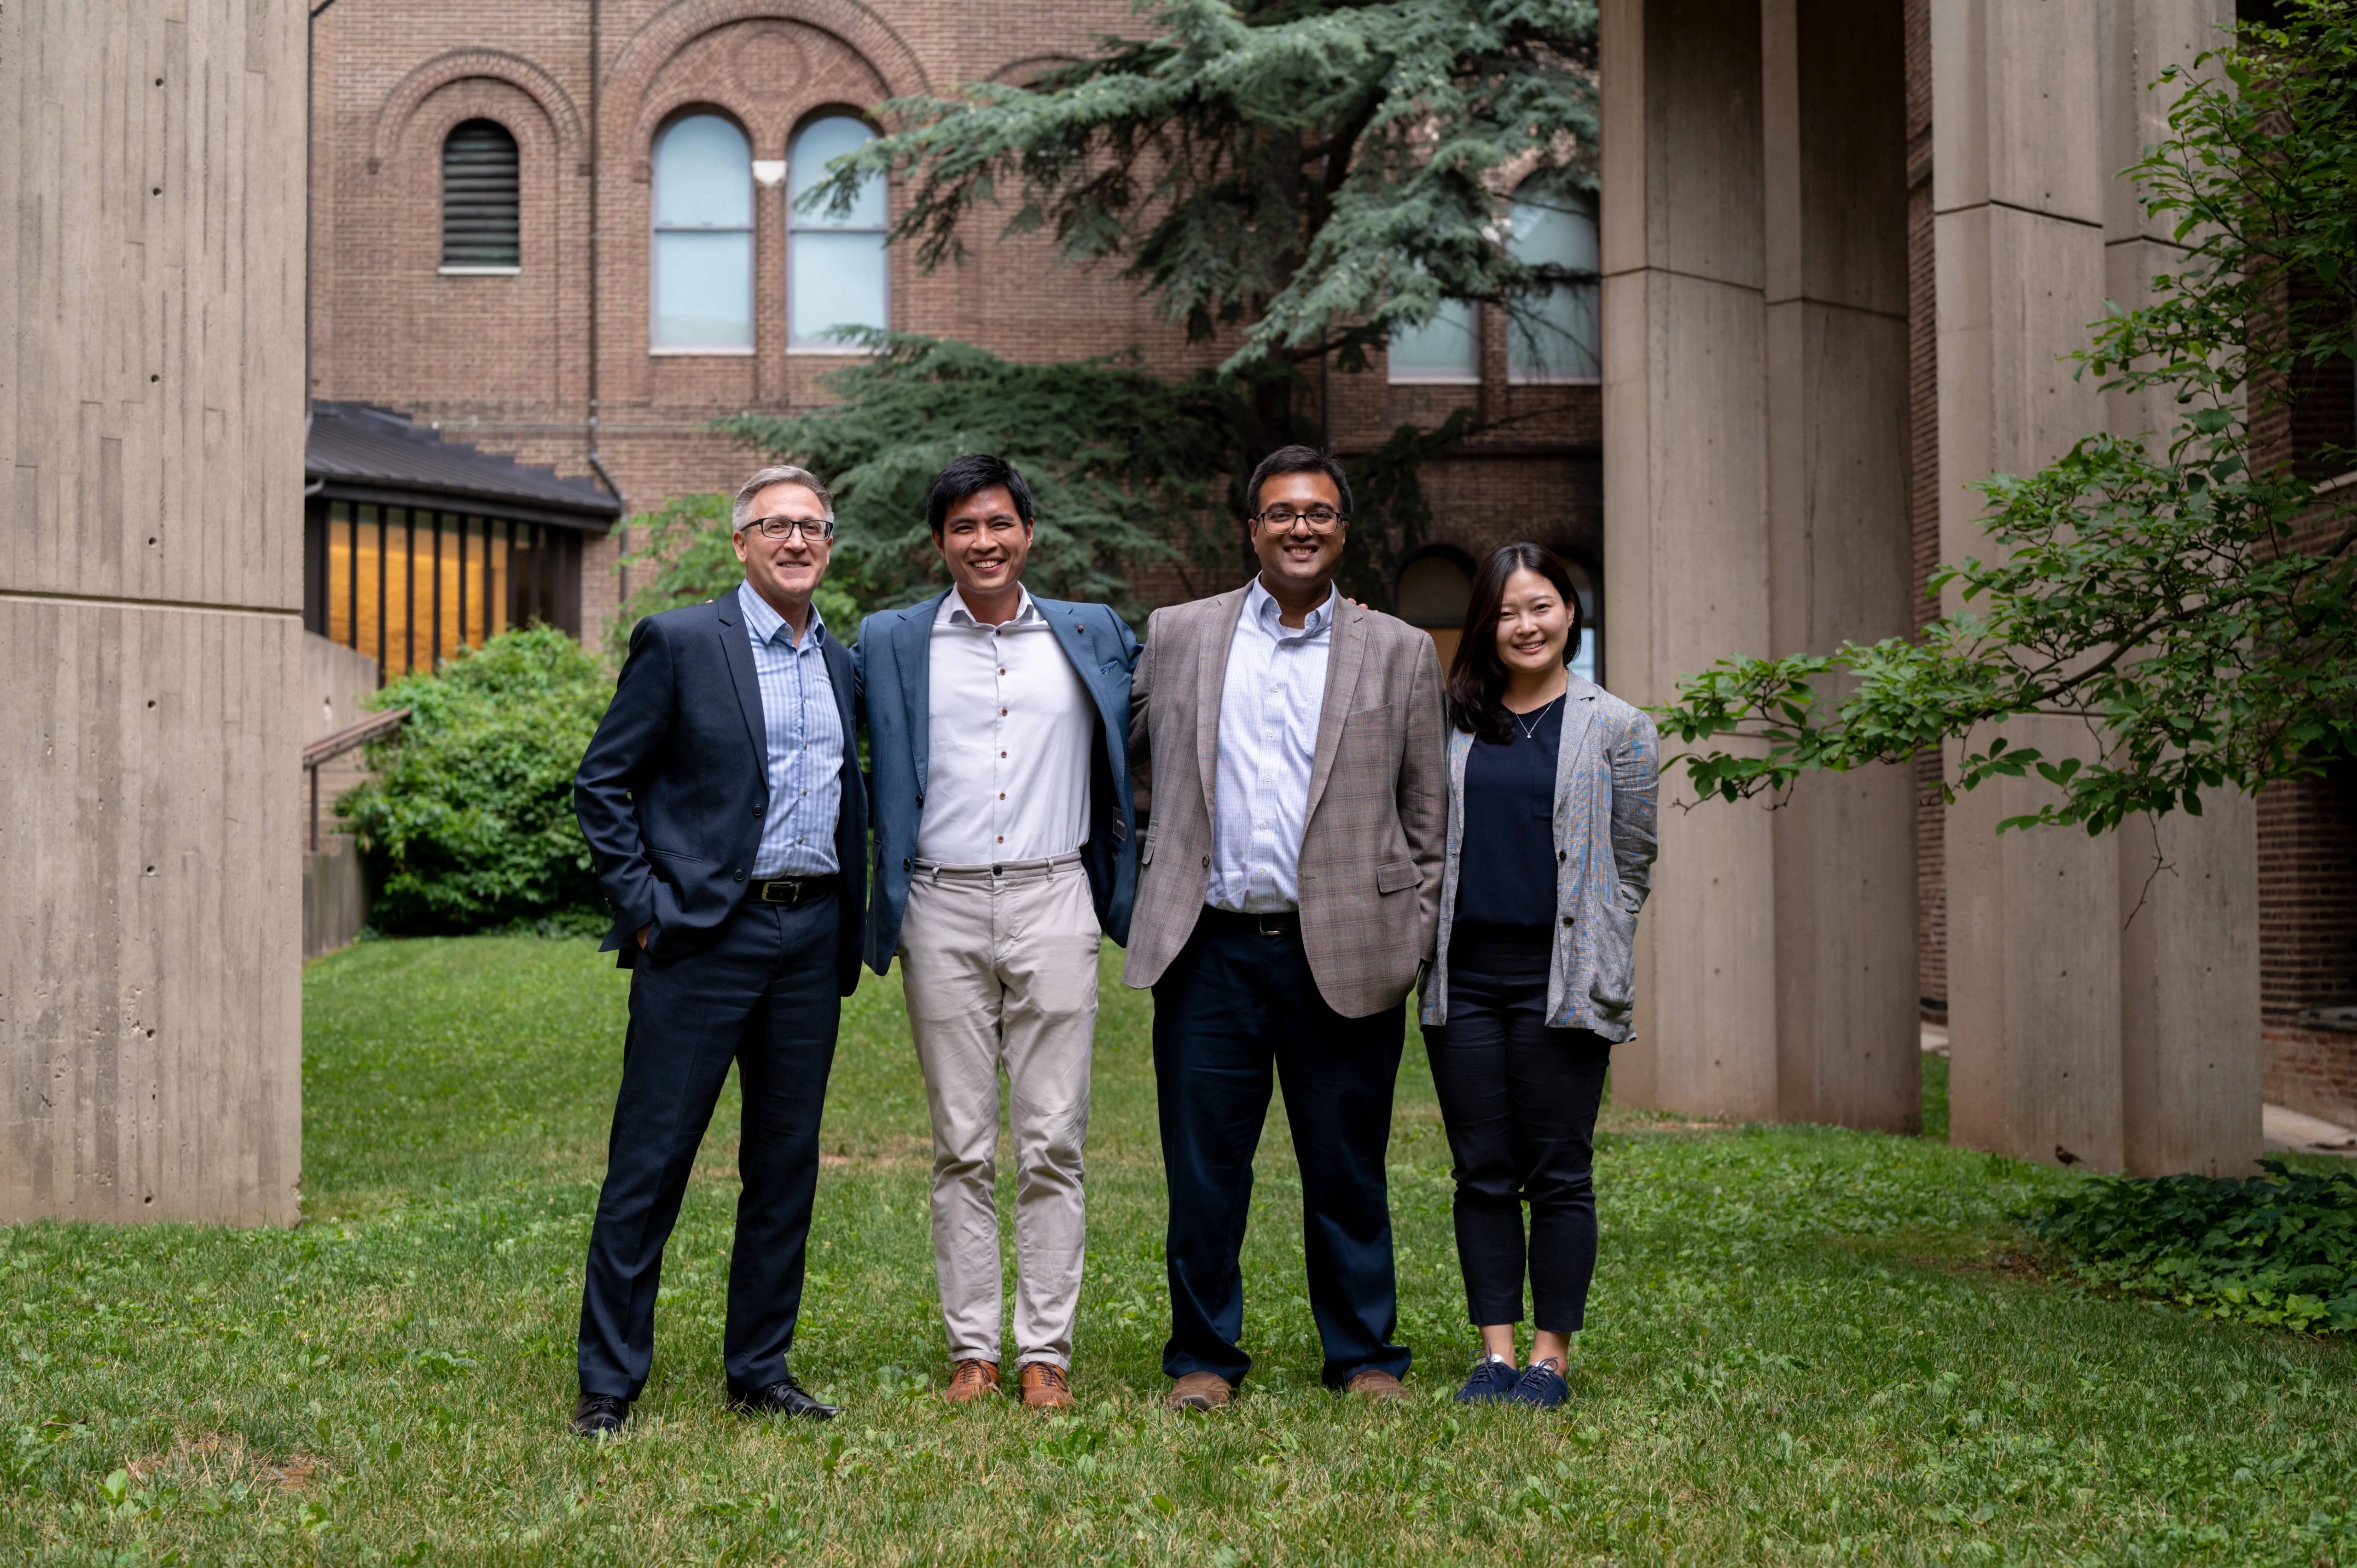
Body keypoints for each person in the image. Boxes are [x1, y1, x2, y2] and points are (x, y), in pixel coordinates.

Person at [1124, 444, 1447, 1409]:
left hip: (1343, 949)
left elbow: (1428, 813)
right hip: (1207, 946)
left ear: (1343, 529)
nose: (1298, 527)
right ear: (1251, 529)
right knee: (1202, 1172)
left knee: (1346, 1167)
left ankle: (1363, 1355)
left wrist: (1411, 929)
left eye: (1317, 512)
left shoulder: (1398, 648)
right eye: (1278, 512)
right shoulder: (1178, 633)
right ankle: (1202, 1358)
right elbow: (1132, 770)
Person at [567, 464, 867, 1436]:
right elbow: (602, 782)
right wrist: (647, 907)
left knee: (784, 1166)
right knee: (650, 1165)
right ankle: (610, 1383)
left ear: (828, 544)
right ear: (738, 542)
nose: (795, 541)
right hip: (701, 938)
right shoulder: (685, 640)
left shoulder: (842, 662)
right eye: (774, 525)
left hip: (809, 935)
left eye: (812, 527)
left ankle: (760, 1368)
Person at [856, 455, 1141, 1411]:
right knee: (962, 1143)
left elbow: (1152, 731)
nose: (985, 541)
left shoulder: (1092, 631)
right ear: (937, 542)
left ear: (1029, 534)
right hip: (936, 904)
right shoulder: (890, 639)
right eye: (964, 527)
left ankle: (1044, 1353)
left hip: (1057, 896)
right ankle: (973, 1348)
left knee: (1054, 1138)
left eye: (1000, 524)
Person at [1419, 543, 1658, 1410]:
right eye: (1509, 611)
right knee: (1481, 1169)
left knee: (1559, 1170)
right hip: (1464, 981)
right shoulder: (1452, 721)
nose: (1527, 624)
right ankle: (1495, 1354)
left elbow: (1633, 861)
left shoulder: (1621, 727)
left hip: (1561, 983)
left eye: (1543, 606)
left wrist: (1596, 942)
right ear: (1487, 623)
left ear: (1570, 614)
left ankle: (1550, 1358)